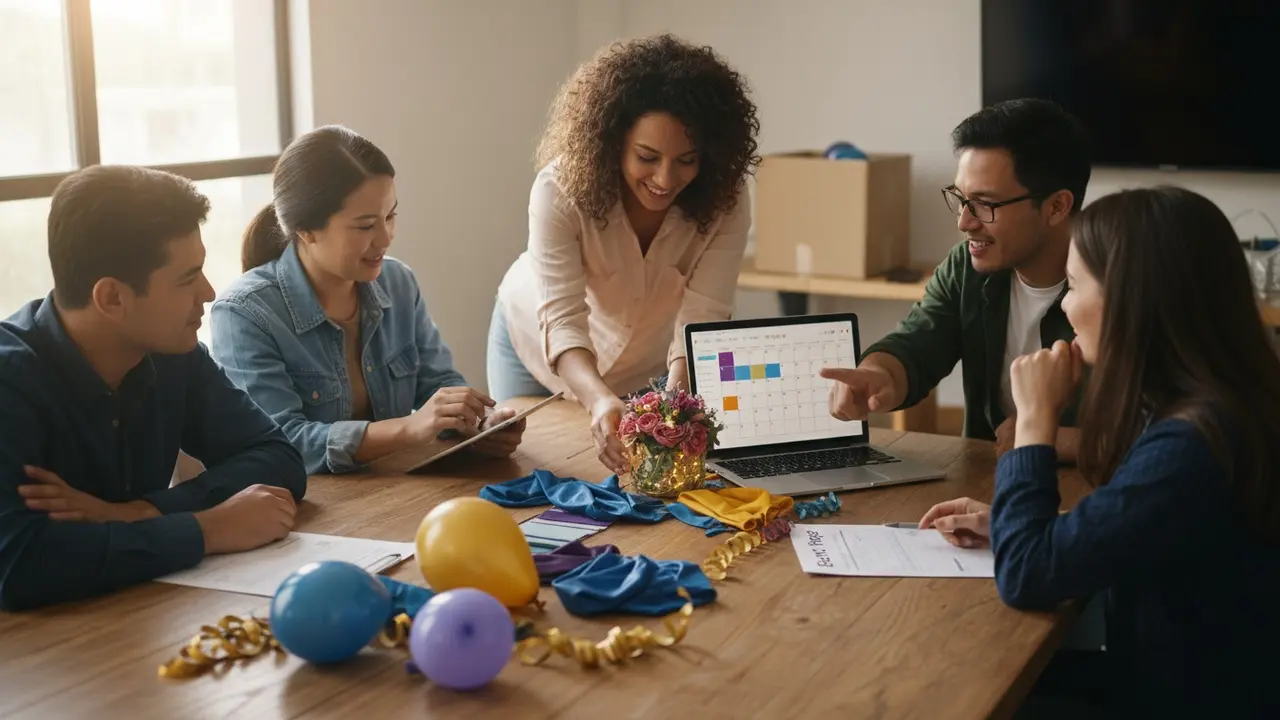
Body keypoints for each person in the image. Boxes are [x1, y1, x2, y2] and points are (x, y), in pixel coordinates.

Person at [919, 187, 1280, 715]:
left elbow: (1028, 576)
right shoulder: (1222, 406)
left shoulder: (1192, 446)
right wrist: (1011, 524)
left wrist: (1036, 421)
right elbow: (1142, 521)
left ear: (1132, 300)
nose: (1066, 306)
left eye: (1074, 285)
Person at [0, 166, 307, 611]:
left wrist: (139, 512)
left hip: (133, 620)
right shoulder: (11, 382)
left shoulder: (172, 353)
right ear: (112, 298)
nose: (208, 292)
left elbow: (279, 458)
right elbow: (17, 565)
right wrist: (207, 529)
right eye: (187, 278)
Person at [489, 33, 761, 475]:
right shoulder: (559, 190)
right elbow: (561, 320)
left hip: (645, 367)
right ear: (613, 141)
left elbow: (703, 315)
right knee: (533, 479)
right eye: (647, 157)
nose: (665, 178)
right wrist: (597, 399)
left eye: (687, 160)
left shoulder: (725, 201)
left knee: (629, 481)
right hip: (535, 350)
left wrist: (674, 404)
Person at [210, 126, 525, 475]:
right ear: (306, 230)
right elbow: (283, 443)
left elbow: (439, 385)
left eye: (390, 217)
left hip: (389, 495)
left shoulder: (398, 282)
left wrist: (479, 425)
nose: (385, 238)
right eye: (364, 226)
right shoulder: (244, 313)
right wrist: (407, 429)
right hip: (305, 514)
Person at [822, 98, 1091, 460]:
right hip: (988, 479)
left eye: (985, 204)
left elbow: (1176, 431)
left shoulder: (1121, 283)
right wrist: (878, 374)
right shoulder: (966, 266)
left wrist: (1055, 440)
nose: (964, 222)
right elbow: (918, 343)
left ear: (1057, 207)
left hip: (1096, 494)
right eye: (960, 199)